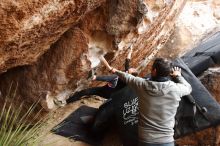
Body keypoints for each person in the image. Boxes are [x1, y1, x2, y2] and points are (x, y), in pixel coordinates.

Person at [102, 57, 192, 146]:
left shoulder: (142, 85)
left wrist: (114, 70)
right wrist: (178, 76)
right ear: (168, 73)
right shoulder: (176, 89)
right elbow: (188, 88)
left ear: (154, 71)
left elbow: (127, 77)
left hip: (146, 139)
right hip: (166, 139)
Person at [64, 46, 138, 104]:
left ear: (130, 74)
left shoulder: (123, 79)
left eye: (134, 69)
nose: (133, 68)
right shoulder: (128, 76)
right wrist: (130, 51)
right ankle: (73, 99)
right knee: (89, 92)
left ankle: (68, 101)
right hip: (110, 93)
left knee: (87, 91)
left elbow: (109, 74)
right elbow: (127, 62)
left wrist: (95, 76)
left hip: (108, 92)